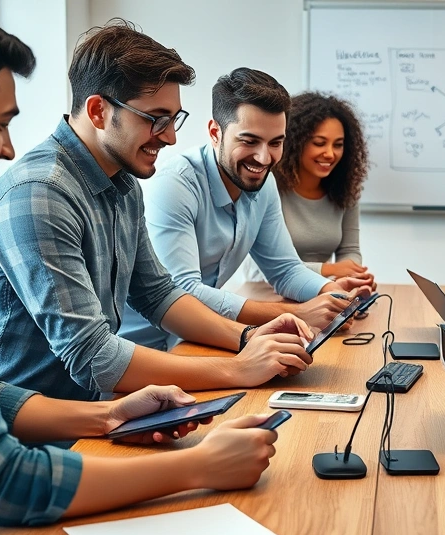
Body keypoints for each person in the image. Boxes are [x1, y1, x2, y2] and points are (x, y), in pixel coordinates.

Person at [0, 4, 278, 535]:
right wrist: (199, 467)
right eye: (0, 124)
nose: (9, 148)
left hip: (23, 465)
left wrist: (107, 417)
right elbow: (0, 479)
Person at [0, 22, 314, 403]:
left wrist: (247, 336)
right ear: (99, 111)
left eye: (174, 119)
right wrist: (239, 368)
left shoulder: (122, 182)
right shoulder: (39, 194)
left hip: (97, 405)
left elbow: (157, 294)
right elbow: (93, 357)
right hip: (35, 430)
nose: (170, 136)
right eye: (156, 119)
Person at [119, 70, 371, 351]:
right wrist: (297, 313)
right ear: (215, 133)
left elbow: (284, 269)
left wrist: (330, 293)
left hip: (199, 339)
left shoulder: (263, 183)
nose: (264, 158)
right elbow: (182, 291)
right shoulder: (175, 184)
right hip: (141, 349)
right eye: (249, 141)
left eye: (276, 143)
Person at [259, 91, 372, 282]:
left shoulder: (345, 191)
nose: (330, 154)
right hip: (267, 294)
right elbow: (264, 267)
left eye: (338, 145)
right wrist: (328, 270)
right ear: (294, 142)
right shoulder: (266, 188)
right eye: (319, 143)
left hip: (321, 292)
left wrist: (352, 276)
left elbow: (349, 251)